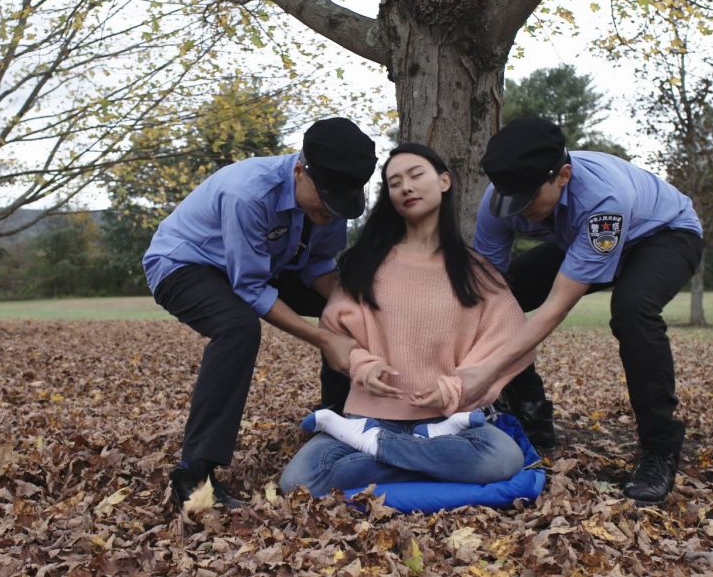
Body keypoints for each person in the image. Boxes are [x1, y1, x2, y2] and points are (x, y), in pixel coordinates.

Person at [460, 117, 704, 504]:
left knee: (631, 310)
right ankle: (531, 415)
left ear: (564, 175)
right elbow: (488, 290)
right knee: (501, 297)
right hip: (578, 234)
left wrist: (488, 371)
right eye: (512, 202)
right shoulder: (499, 202)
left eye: (528, 201)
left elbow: (555, 308)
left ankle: (660, 448)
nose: (519, 214)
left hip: (663, 235)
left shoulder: (603, 200)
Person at [143, 117, 377, 509]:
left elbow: (318, 266)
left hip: (265, 266)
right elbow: (249, 289)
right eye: (325, 200)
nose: (330, 213)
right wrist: (326, 338)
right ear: (300, 170)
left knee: (346, 307)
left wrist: (353, 311)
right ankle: (194, 475)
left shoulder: (327, 207)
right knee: (238, 327)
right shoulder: (247, 193)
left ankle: (340, 419)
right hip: (183, 265)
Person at [279, 144, 536, 497]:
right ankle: (417, 457)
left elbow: (512, 338)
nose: (406, 187)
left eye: (416, 175)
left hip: (450, 423)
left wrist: (456, 386)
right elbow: (335, 330)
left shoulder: (475, 271)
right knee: (298, 481)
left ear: (444, 181)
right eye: (394, 183)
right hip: (370, 418)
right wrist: (361, 363)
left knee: (502, 459)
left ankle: (377, 449)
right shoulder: (365, 263)